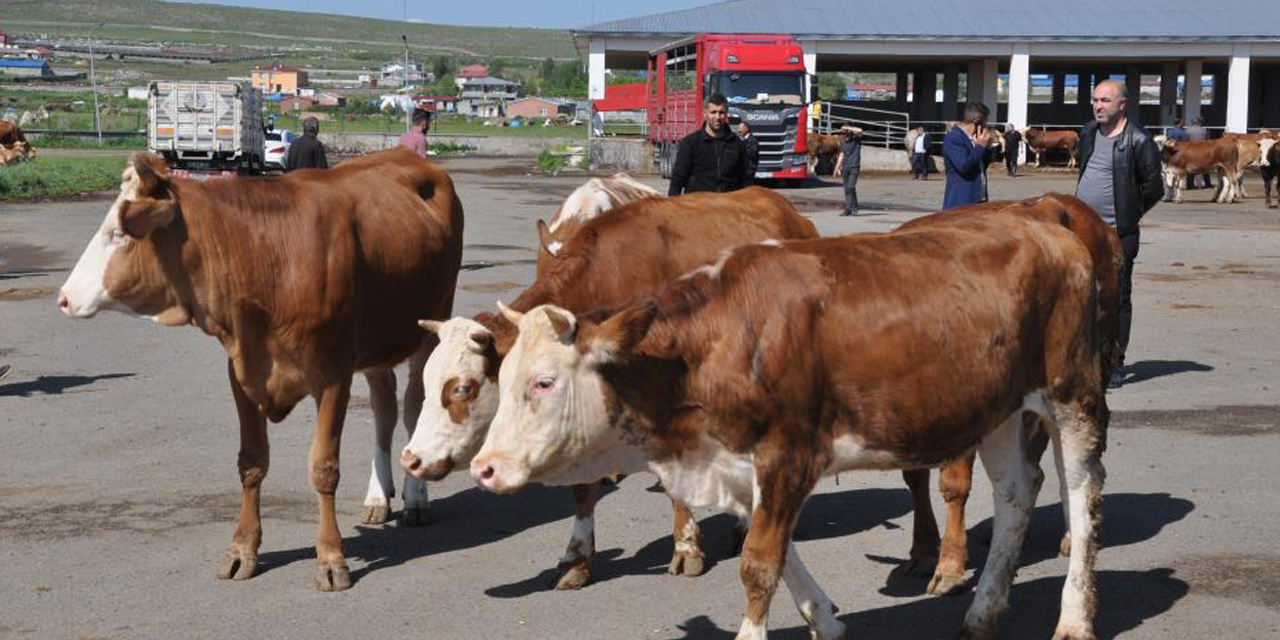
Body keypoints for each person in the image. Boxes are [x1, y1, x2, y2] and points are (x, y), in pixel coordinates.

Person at [1075, 79, 1164, 389]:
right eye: (1095, 100)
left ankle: (1114, 363)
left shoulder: (1139, 141)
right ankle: (1086, 358)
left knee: (1117, 298)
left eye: (1105, 101)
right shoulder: (1088, 132)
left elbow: (1155, 188)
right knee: (1083, 296)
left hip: (1117, 235)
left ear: (1122, 105)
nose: (1098, 106)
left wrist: (1126, 216)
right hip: (1081, 233)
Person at [668, 94, 749, 196]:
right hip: (698, 207)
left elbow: (745, 179)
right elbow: (677, 179)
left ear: (726, 114)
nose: (717, 117)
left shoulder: (737, 144)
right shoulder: (690, 144)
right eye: (713, 112)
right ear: (705, 114)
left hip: (728, 207)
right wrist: (672, 207)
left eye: (721, 113)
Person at [942, 102, 995, 210]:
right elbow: (964, 166)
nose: (986, 125)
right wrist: (979, 147)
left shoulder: (975, 138)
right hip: (961, 201)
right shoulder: (954, 138)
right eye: (985, 121)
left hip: (979, 199)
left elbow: (981, 167)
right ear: (977, 121)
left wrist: (987, 148)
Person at [838, 125, 863, 216]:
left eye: (846, 132)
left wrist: (848, 128)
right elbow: (841, 154)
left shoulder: (857, 140)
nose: (845, 133)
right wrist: (837, 168)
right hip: (845, 167)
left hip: (854, 167)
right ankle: (848, 209)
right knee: (846, 189)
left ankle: (855, 206)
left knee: (851, 187)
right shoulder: (843, 142)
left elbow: (860, 130)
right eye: (844, 132)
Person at [1186, 117, 1212, 189]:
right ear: (1199, 122)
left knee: (1190, 168)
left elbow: (1186, 141)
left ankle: (1190, 185)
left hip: (1191, 151)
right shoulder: (1204, 130)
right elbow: (1208, 141)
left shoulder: (1188, 131)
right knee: (1205, 168)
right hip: (1202, 151)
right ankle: (1207, 183)